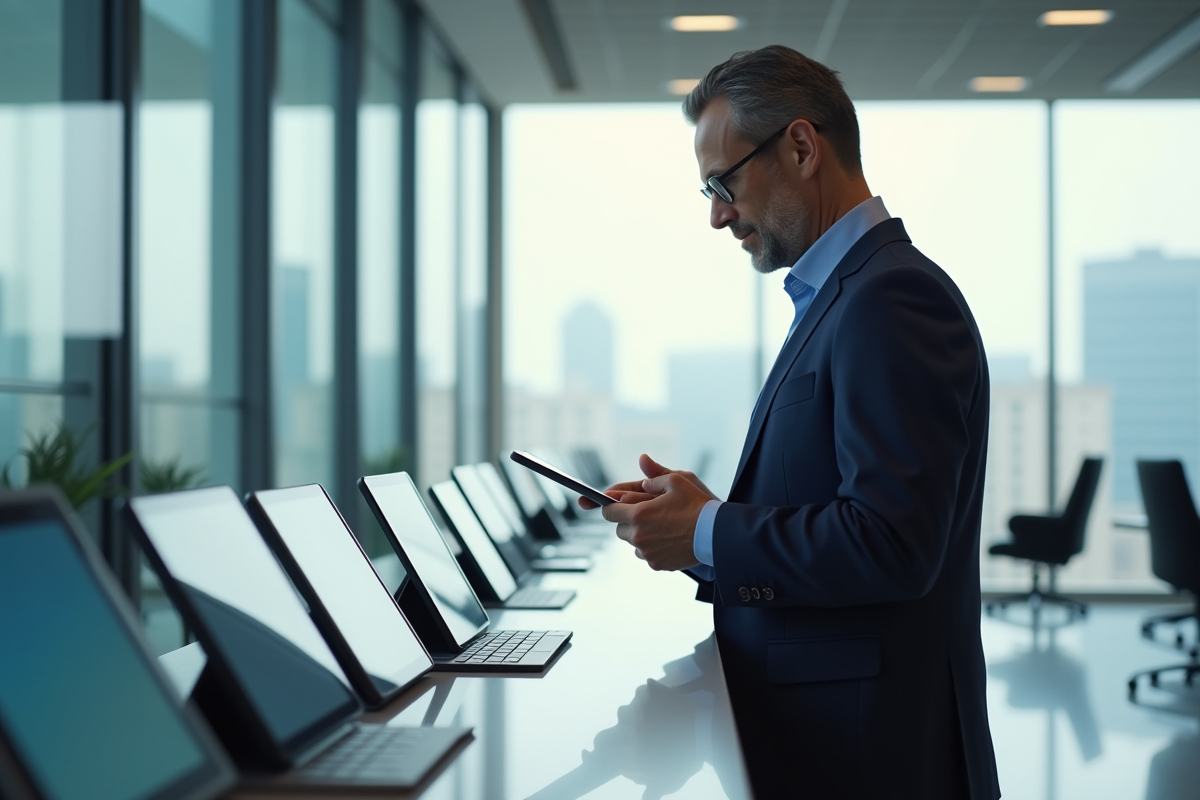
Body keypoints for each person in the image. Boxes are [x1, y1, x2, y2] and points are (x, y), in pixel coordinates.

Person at [581, 46, 1001, 799]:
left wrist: (711, 528)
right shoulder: (843, 297)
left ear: (802, 147)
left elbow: (892, 543)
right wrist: (702, 527)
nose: (716, 215)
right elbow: (834, 509)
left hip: (872, 755)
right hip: (831, 739)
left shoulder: (891, 299)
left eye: (723, 183)